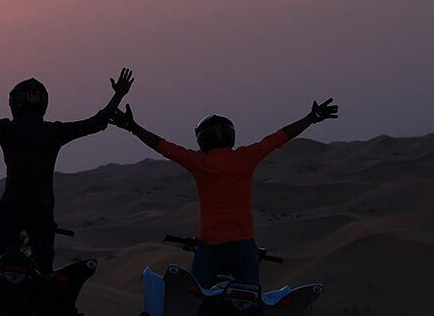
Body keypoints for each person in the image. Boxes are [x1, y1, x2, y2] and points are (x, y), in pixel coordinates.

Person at [0, 63, 133, 273]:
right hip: (41, 213)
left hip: (11, 210)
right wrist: (118, 96)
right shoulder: (53, 132)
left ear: (14, 103)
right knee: (45, 278)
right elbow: (96, 123)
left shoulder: (8, 130)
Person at [110, 97, 339, 286]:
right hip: (244, 246)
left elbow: (163, 146)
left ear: (202, 139)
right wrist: (311, 118)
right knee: (251, 305)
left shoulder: (199, 162)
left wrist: (133, 127)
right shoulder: (245, 158)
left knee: (196, 302)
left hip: (210, 248)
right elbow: (279, 137)